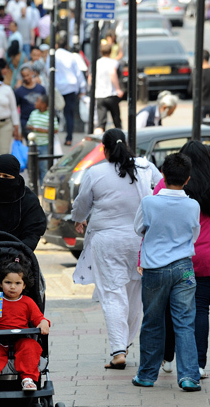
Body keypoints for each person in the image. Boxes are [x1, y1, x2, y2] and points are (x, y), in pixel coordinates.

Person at [70, 129, 161, 370]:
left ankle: (119, 349)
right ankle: (126, 342)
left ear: (105, 149)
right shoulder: (144, 167)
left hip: (107, 241)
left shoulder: (96, 172)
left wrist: (79, 218)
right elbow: (160, 188)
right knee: (134, 295)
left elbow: (81, 204)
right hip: (139, 240)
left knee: (113, 294)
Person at [151, 141, 210, 380]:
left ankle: (167, 357)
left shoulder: (165, 184)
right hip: (204, 256)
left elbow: (156, 213)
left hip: (175, 256)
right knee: (200, 308)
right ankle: (198, 364)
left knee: (170, 307)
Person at [132, 153, 202, 392]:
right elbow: (194, 234)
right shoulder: (193, 205)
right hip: (184, 268)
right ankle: (189, 377)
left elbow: (138, 228)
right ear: (187, 179)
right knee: (184, 322)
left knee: (152, 321)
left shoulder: (149, 202)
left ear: (162, 174)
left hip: (154, 268)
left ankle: (146, 375)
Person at [0, 256, 50, 398]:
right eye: (8, 282)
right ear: (1, 284)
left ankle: (28, 380)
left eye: (17, 283)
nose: (12, 287)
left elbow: (38, 317)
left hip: (21, 339)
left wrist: (44, 322)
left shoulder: (28, 302)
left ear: (24, 285)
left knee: (31, 347)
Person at [54, 33, 86, 145]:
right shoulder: (71, 56)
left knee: (56, 113)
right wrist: (82, 87)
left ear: (57, 45)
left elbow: (49, 71)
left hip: (57, 88)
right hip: (70, 87)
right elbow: (78, 73)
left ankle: (54, 137)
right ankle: (69, 138)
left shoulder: (53, 55)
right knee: (69, 114)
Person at [27, 94, 59, 186]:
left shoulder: (50, 115)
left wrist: (40, 129)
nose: (35, 103)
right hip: (33, 145)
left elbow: (55, 129)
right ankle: (32, 186)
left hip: (45, 144)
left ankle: (43, 188)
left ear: (44, 104)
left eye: (38, 101)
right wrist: (32, 127)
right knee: (32, 168)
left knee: (44, 168)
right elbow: (28, 125)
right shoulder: (33, 113)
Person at [93, 42, 123, 131]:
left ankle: (98, 142)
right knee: (117, 121)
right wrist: (118, 89)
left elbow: (90, 78)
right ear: (110, 52)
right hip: (111, 94)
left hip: (99, 95)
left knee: (100, 123)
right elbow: (113, 73)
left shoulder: (97, 63)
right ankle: (120, 140)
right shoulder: (113, 62)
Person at [15, 65, 45, 133]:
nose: (26, 78)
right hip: (26, 121)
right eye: (24, 76)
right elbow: (15, 107)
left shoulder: (40, 88)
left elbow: (46, 103)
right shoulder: (19, 91)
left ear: (32, 73)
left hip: (40, 120)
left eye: (27, 75)